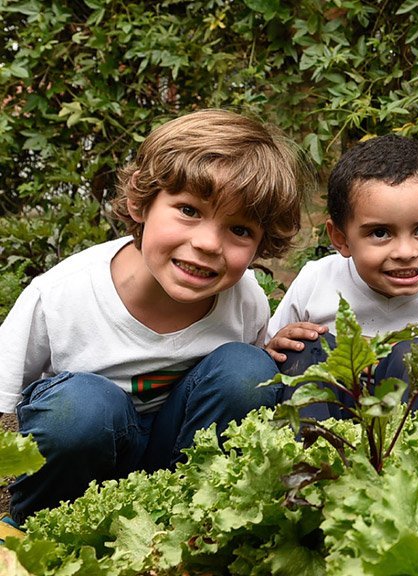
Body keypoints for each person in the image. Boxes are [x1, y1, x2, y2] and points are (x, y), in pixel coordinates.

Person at [0, 109, 304, 526]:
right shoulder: (59, 296)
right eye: (189, 211)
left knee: (248, 369)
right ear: (139, 204)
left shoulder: (245, 297)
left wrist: (274, 353)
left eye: (239, 230)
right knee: (80, 408)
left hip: (174, 459)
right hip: (82, 461)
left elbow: (232, 394)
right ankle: (36, 529)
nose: (207, 243)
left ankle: (194, 524)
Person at [265, 134, 418, 435]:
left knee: (415, 357)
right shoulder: (317, 280)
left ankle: (415, 475)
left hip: (413, 447)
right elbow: (270, 361)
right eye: (380, 233)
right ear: (340, 238)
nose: (405, 252)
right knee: (303, 347)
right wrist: (275, 347)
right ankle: (310, 465)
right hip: (329, 429)